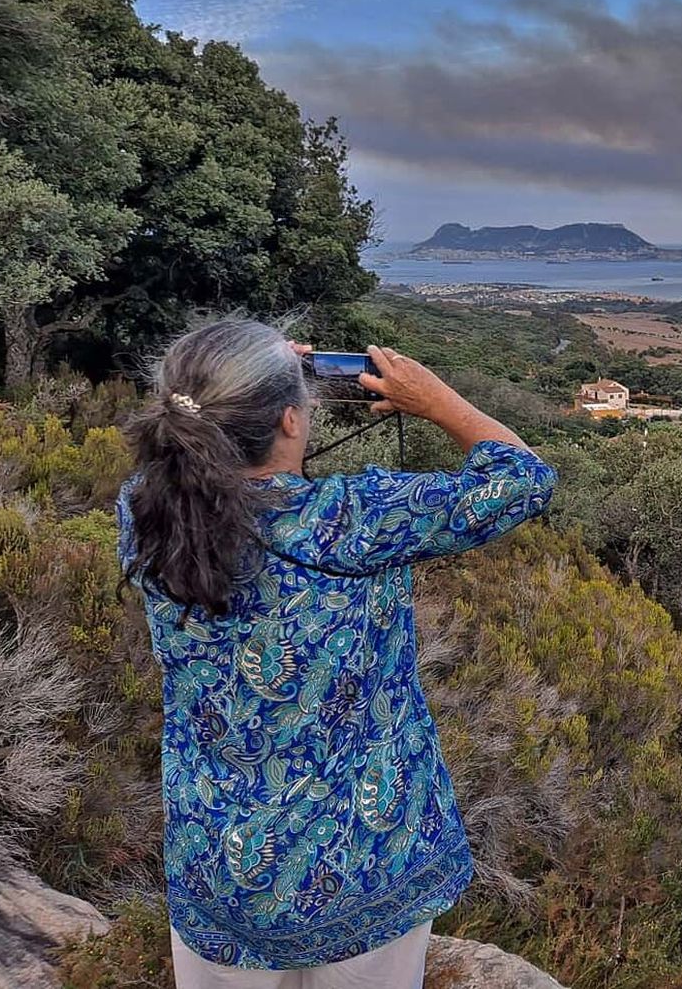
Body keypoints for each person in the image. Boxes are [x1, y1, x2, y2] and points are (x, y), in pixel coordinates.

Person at [116, 318, 557, 987]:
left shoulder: (144, 510)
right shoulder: (354, 520)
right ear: (291, 420)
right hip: (364, 862)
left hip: (220, 866)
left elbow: (188, 456)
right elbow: (523, 476)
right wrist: (436, 401)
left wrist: (251, 379)